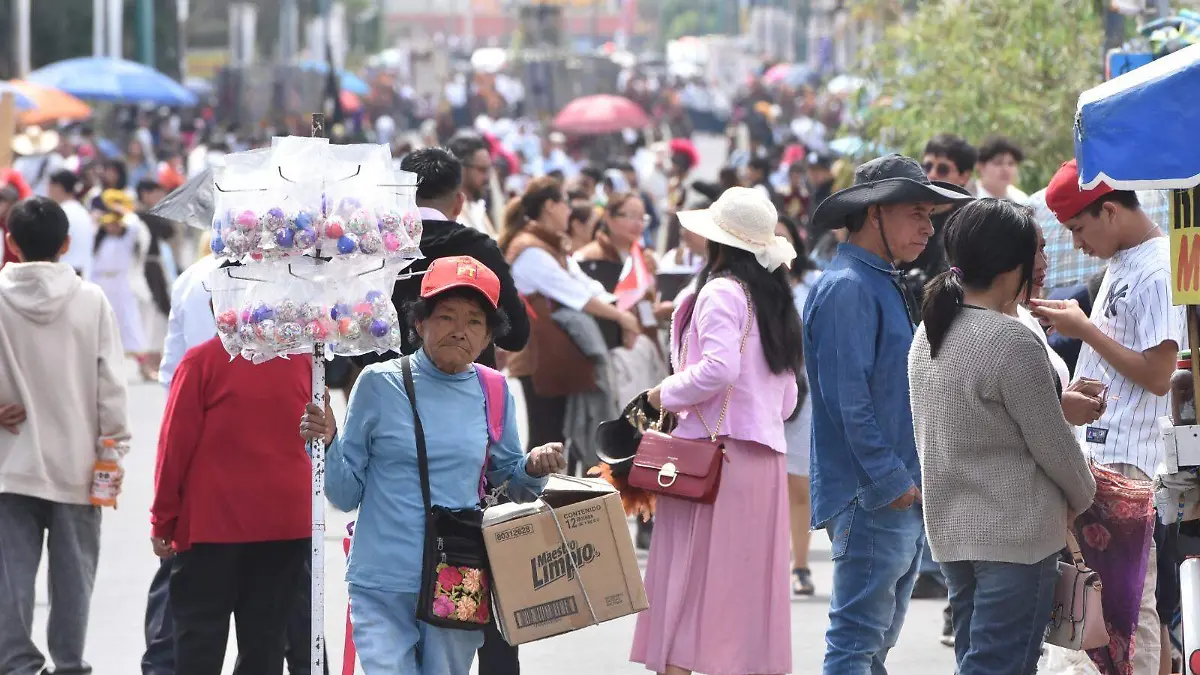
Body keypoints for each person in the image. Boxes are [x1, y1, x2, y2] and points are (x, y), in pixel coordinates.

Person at [299, 256, 566, 675]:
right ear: (420, 322)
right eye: (446, 316)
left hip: (458, 577)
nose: (460, 330)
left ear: (488, 337)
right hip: (382, 579)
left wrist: (533, 467)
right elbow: (345, 493)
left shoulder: (494, 390)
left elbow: (511, 483)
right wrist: (327, 442)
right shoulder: (378, 384)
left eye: (475, 322)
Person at [909, 198, 1097, 674]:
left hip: (953, 533)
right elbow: (1055, 446)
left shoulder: (929, 331)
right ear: (1013, 265)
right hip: (1015, 536)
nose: (1041, 262)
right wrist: (1085, 496)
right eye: (1035, 253)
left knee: (977, 658)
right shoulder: (1010, 340)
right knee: (1001, 664)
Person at [803, 154, 972, 674]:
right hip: (873, 494)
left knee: (870, 645)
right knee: (856, 643)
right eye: (916, 213)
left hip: (893, 489)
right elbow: (847, 401)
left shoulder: (876, 279)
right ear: (875, 212)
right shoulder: (848, 286)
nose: (928, 228)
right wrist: (890, 479)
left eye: (930, 215)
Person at [630, 186, 801, 675]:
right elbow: (788, 396)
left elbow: (719, 370)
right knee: (744, 589)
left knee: (688, 579)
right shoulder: (774, 299)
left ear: (717, 242)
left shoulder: (721, 291)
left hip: (710, 458)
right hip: (762, 460)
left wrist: (659, 394)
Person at [1031, 159, 1186, 675]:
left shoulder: (1158, 268)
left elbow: (1159, 374)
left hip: (1129, 464)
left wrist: (1084, 331)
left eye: (1079, 228)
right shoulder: (1126, 260)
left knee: (1128, 609)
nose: (1077, 244)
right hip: (1100, 456)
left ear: (1111, 211)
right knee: (1102, 607)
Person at [150, 280, 312, 675]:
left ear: (217, 309)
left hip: (212, 527)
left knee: (198, 644)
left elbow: (174, 449)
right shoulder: (303, 362)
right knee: (265, 645)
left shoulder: (201, 362)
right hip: (284, 525)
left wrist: (163, 521)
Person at [0, 197, 131, 675]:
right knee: (75, 576)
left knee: (10, 577)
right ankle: (70, 663)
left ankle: (17, 664)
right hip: (80, 465)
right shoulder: (90, 301)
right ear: (67, 243)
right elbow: (111, 387)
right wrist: (112, 452)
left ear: (10, 242)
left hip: (9, 465)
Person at [356, 147, 529, 373]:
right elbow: (516, 335)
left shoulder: (372, 248)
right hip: (464, 388)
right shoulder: (480, 250)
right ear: (459, 203)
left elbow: (355, 340)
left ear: (399, 198)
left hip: (388, 384)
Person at [500, 176, 642, 450]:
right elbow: (577, 295)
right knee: (545, 438)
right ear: (550, 206)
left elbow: (586, 285)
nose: (569, 210)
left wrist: (619, 308)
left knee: (556, 438)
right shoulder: (530, 250)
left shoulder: (550, 245)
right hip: (538, 359)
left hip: (556, 357)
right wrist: (622, 317)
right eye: (565, 203)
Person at [777, 215, 820, 596]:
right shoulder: (742, 286)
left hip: (803, 395)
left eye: (782, 237)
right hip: (759, 397)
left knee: (798, 484)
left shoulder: (815, 283)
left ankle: (800, 565)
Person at [447, 133, 499, 239]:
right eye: (482, 170)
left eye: (488, 170)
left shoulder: (477, 208)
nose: (487, 177)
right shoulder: (449, 215)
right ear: (461, 169)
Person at [47, 169, 95, 279]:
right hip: (83, 274)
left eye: (50, 186)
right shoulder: (82, 211)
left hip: (64, 274)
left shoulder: (60, 212)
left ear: (58, 187)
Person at [974, 136, 1028, 202]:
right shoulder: (969, 198)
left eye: (1011, 163)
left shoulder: (1021, 200)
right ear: (980, 166)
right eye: (998, 163)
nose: (1006, 169)